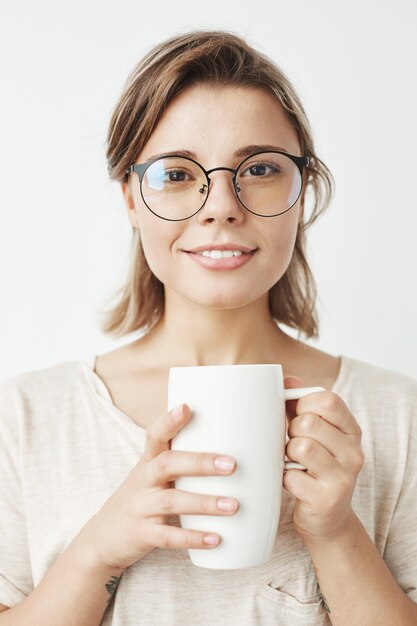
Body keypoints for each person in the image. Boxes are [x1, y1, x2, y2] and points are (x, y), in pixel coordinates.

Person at [0, 29, 416, 626]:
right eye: (176, 174)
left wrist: (335, 533)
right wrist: (96, 552)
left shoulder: (397, 414)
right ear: (130, 198)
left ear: (302, 194)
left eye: (260, 169)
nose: (222, 205)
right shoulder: (26, 418)